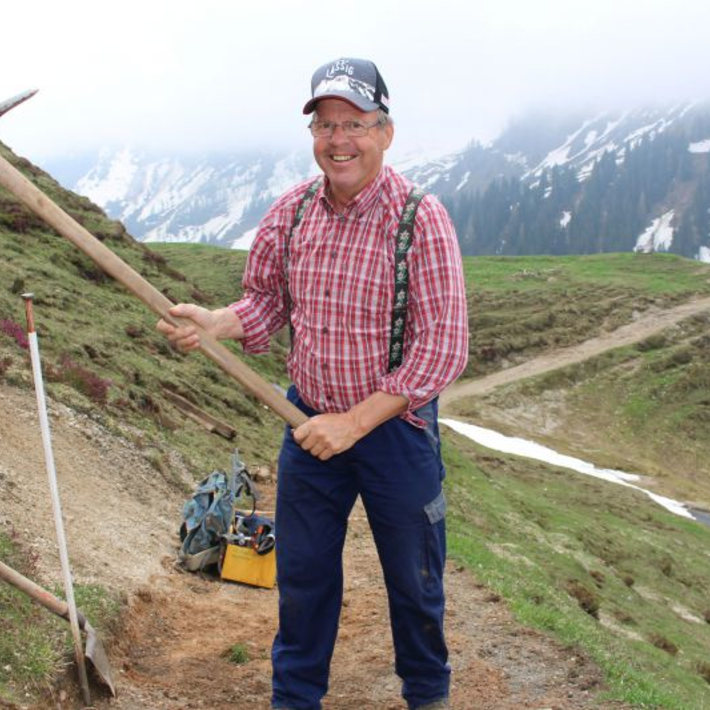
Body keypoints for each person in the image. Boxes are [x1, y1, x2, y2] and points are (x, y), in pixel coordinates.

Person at [158, 57, 468, 710]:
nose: (338, 140)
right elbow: (267, 302)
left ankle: (428, 697)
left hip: (394, 432)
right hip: (306, 423)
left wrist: (353, 423)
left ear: (385, 131)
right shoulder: (292, 213)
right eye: (326, 124)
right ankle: (294, 700)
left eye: (354, 123)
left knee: (415, 584)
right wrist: (216, 322)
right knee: (303, 582)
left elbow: (441, 351)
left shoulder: (420, 220)